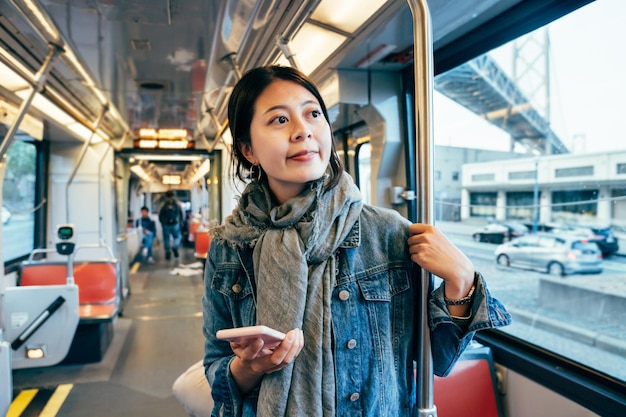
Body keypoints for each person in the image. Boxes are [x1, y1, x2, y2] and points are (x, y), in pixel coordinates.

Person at [200, 65, 511, 417]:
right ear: (248, 150)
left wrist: (461, 280)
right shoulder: (230, 246)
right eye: (279, 121)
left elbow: (438, 360)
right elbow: (216, 372)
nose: (303, 131)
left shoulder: (387, 233)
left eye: (313, 114)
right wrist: (253, 367)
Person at [159, 190, 183, 260]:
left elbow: (160, 215)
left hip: (166, 224)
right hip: (175, 224)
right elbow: (181, 214)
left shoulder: (164, 204)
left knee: (166, 239)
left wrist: (162, 223)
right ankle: (175, 247)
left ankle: (167, 252)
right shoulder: (177, 203)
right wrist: (181, 222)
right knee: (178, 237)